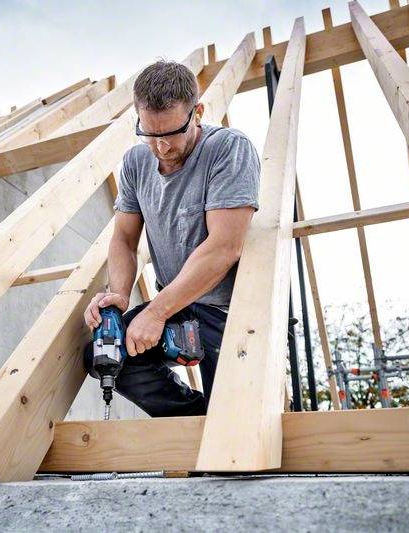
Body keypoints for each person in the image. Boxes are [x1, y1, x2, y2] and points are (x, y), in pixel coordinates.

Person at [82, 60, 260, 417]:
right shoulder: (135, 162)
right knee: (107, 353)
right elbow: (123, 239)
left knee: (234, 425)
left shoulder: (228, 149)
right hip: (179, 307)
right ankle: (194, 423)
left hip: (232, 312)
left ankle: (217, 423)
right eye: (150, 134)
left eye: (172, 133)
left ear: (197, 112)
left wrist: (158, 310)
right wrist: (118, 294)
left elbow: (224, 247)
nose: (161, 146)